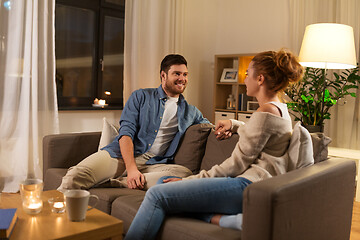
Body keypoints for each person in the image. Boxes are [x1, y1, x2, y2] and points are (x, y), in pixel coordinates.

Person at [124, 49, 304, 240]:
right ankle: (227, 220)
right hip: (249, 184)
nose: (244, 79)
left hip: (247, 186)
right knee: (162, 183)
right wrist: (234, 124)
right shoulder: (279, 109)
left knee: (157, 194)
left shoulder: (265, 113)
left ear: (260, 79)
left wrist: (188, 180)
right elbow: (257, 131)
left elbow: (234, 165)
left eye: (247, 74)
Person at [57, 54, 210, 191]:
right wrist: (131, 168)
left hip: (154, 164)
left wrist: (232, 124)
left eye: (185, 74)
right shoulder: (141, 96)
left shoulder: (191, 112)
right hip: (121, 156)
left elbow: (211, 127)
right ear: (163, 75)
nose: (182, 79)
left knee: (184, 174)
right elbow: (126, 133)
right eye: (177, 73)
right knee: (73, 178)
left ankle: (116, 182)